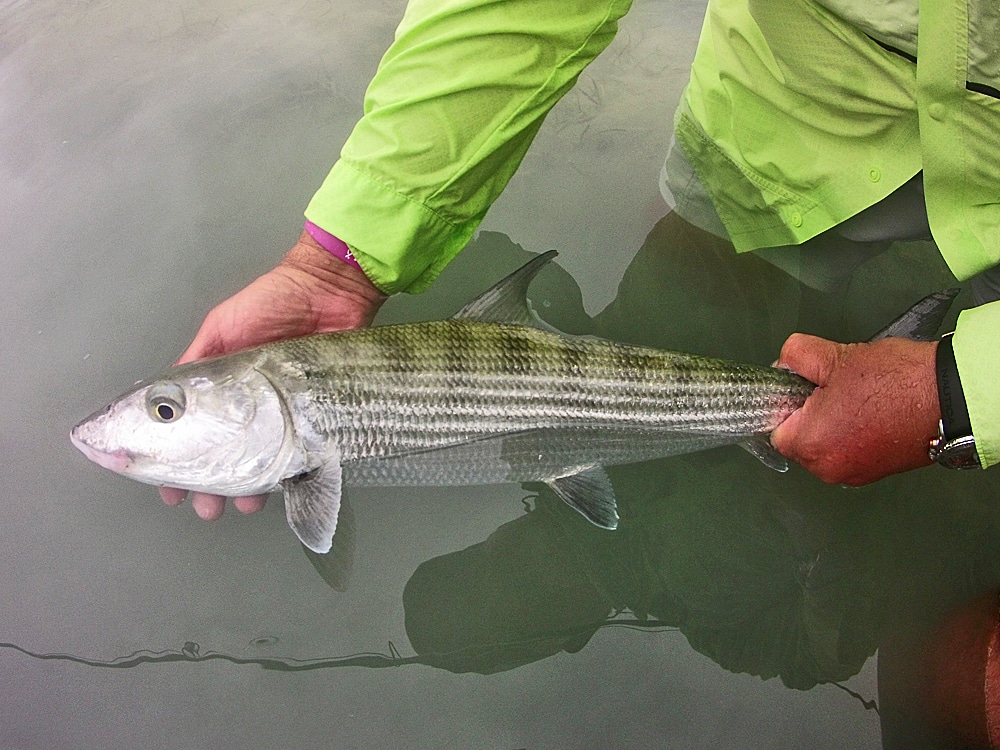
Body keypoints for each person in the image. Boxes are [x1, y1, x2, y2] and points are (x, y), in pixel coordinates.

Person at [159, 0, 1000, 521]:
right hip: (804, 106)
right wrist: (335, 260)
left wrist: (961, 397)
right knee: (694, 263)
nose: (146, 430)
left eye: (167, 409)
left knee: (968, 678)